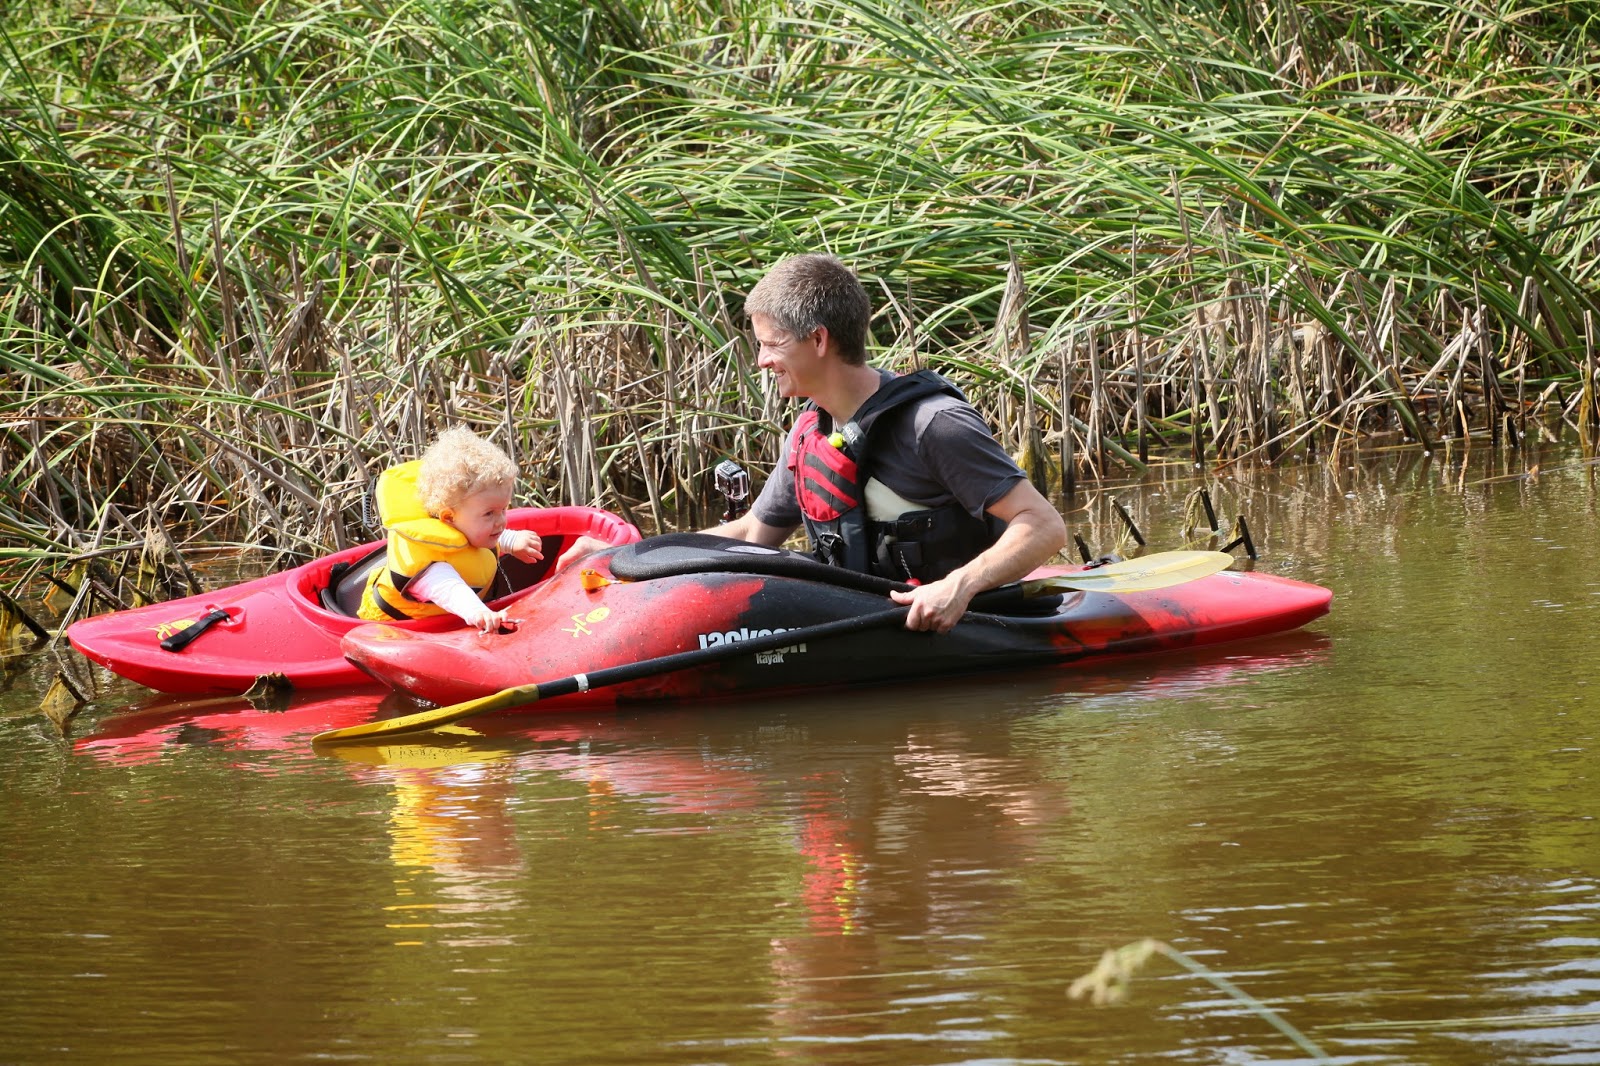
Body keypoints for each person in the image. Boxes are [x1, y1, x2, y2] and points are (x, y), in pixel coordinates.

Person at [707, 253, 1068, 634]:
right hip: (868, 629)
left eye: (772, 344)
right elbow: (752, 535)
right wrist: (648, 557)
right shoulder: (809, 432)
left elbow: (1044, 525)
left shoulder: (934, 424)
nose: (762, 360)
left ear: (818, 339)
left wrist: (958, 587)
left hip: (981, 629)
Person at [358, 427, 551, 632]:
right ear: (449, 517)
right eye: (489, 513)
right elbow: (450, 590)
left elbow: (478, 539)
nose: (501, 521)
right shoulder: (432, 568)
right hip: (391, 633)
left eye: (503, 509)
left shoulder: (465, 524)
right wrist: (480, 613)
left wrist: (512, 541)